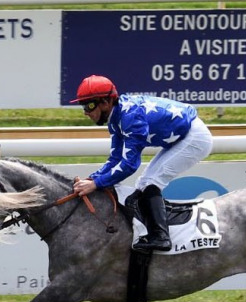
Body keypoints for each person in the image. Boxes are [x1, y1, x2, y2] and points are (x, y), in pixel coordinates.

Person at [69, 74, 213, 252]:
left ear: (105, 102)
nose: (85, 112)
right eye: (83, 106)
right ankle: (156, 230)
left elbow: (129, 164)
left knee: (150, 183)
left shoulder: (130, 119)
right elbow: (115, 159)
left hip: (194, 138)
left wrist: (96, 184)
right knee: (143, 184)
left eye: (89, 105)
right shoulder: (115, 118)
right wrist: (91, 179)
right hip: (180, 136)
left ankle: (161, 238)